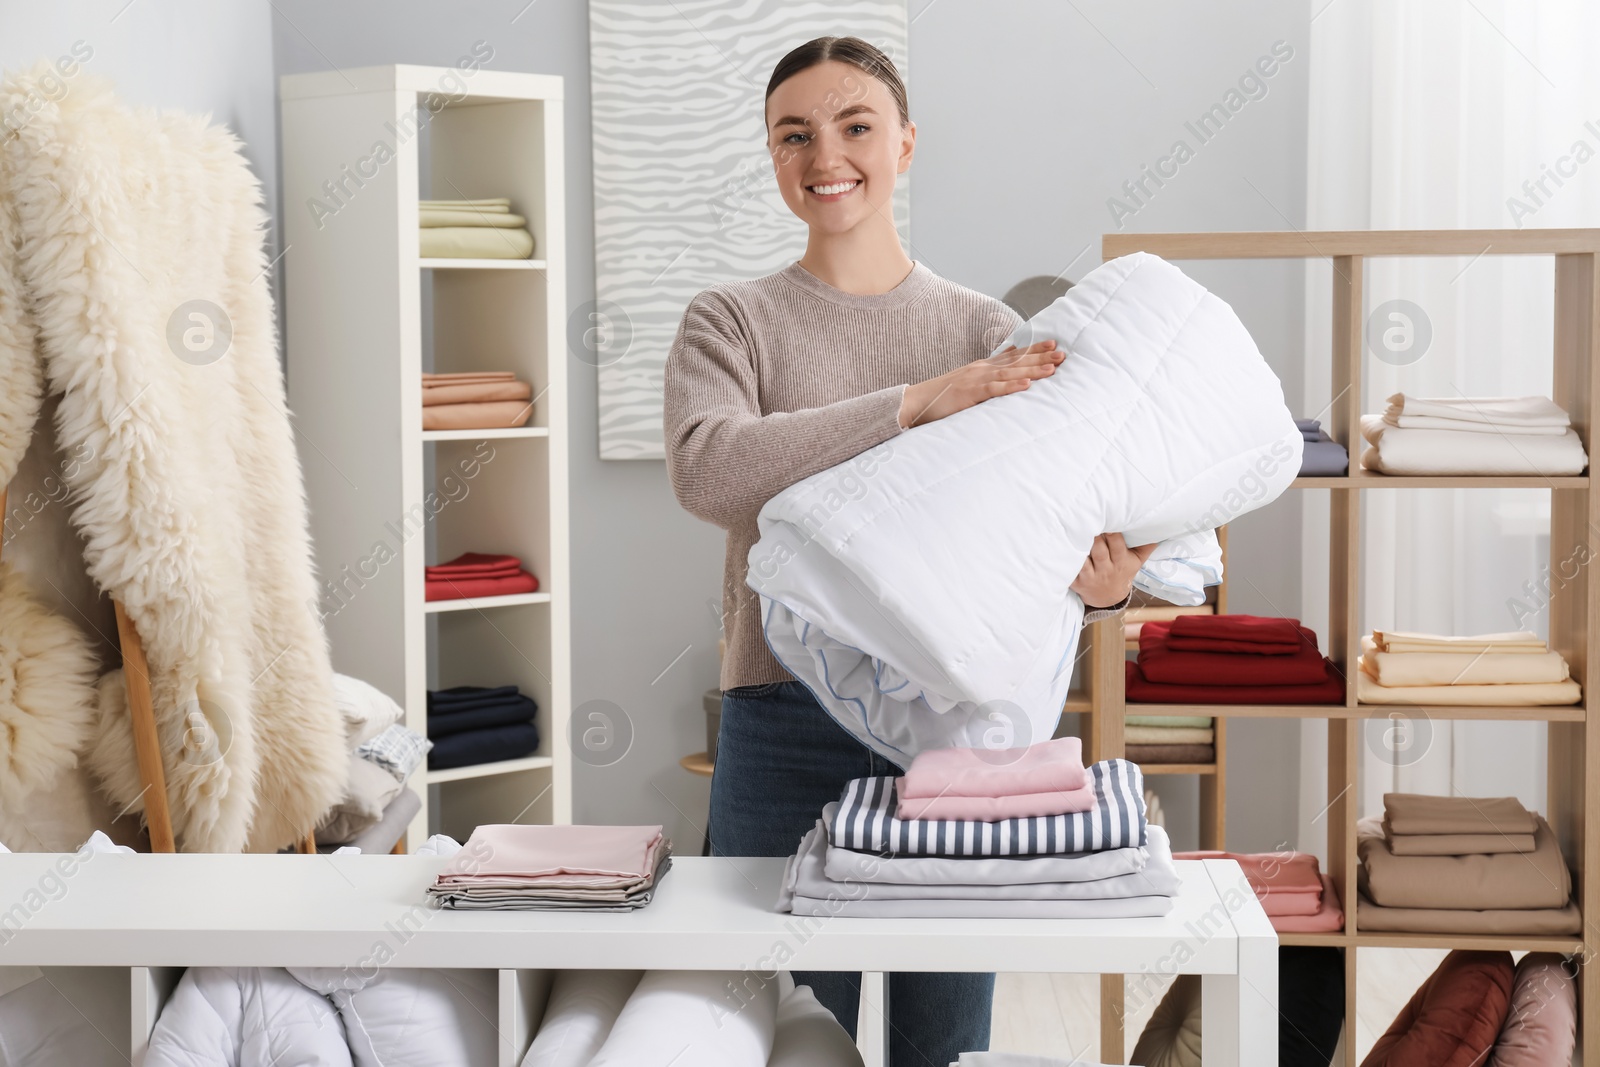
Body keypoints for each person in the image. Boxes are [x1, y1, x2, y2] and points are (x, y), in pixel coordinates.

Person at [662, 35, 1152, 1067]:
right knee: (760, 1018)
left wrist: (1101, 592)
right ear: (771, 154)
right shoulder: (732, 321)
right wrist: (911, 405)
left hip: (948, 725)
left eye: (854, 127)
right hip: (777, 712)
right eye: (794, 134)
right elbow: (711, 470)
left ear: (905, 145)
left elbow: (1034, 522)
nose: (824, 155)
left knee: (937, 1039)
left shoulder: (984, 331)